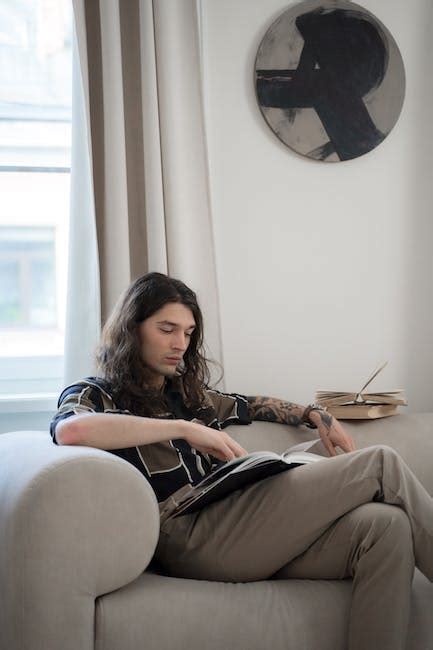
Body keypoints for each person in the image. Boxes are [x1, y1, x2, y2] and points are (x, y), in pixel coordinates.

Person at [50, 272, 433, 650]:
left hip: (243, 529)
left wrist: (316, 414)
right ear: (132, 329)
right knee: (379, 462)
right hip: (189, 533)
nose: (179, 343)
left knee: (387, 528)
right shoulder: (95, 393)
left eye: (187, 332)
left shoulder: (189, 395)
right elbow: (71, 431)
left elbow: (251, 405)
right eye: (167, 329)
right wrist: (183, 429)